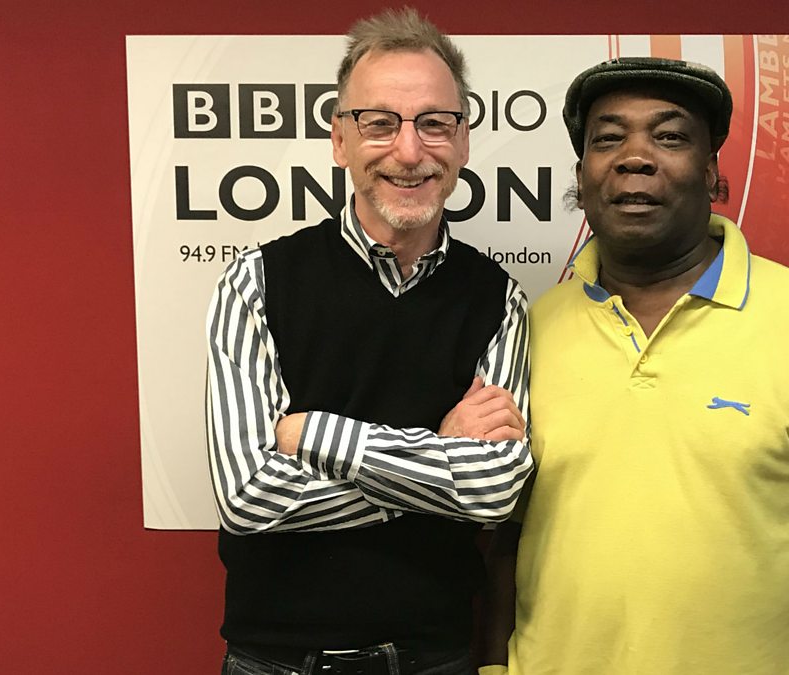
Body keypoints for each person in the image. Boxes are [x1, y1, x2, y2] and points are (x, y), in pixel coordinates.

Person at [480, 57, 789, 675]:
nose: (635, 157)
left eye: (670, 136)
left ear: (711, 171)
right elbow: (505, 545)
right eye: (608, 139)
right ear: (581, 175)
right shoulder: (530, 328)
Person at [205, 9, 533, 675]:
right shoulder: (256, 282)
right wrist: (439, 455)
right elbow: (249, 497)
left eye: (434, 123)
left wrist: (317, 435)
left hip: (434, 658)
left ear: (463, 141)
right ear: (340, 140)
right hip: (276, 661)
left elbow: (495, 490)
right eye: (380, 123)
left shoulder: (499, 299)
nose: (409, 152)